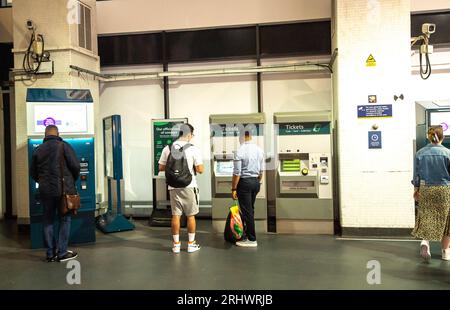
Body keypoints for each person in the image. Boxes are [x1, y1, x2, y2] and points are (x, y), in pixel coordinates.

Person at [30, 125, 80, 262]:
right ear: (58, 133)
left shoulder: (37, 150)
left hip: (46, 192)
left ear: (45, 135)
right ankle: (62, 252)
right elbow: (76, 166)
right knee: (65, 219)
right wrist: (71, 180)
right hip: (63, 190)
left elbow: (33, 173)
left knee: (47, 220)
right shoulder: (64, 146)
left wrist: (43, 182)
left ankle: (50, 253)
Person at [158, 123, 204, 254]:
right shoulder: (193, 149)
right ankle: (191, 244)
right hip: (189, 185)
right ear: (189, 134)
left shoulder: (167, 148)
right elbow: (200, 170)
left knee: (176, 215)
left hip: (173, 186)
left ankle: (176, 245)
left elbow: (161, 167)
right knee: (190, 216)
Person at [412, 125, 450, 262]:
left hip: (426, 189)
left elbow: (416, 174)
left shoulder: (420, 153)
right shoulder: (448, 153)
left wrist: (416, 189)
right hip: (444, 190)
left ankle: (425, 241)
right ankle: (446, 252)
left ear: (429, 137)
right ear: (442, 137)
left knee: (426, 215)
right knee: (447, 221)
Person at [231, 128, 264, 247]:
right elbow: (261, 171)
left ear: (241, 137)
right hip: (255, 182)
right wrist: (256, 181)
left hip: (244, 183)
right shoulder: (259, 150)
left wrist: (234, 189)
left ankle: (251, 239)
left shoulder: (239, 151)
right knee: (250, 210)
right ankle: (246, 234)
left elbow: (237, 173)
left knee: (247, 212)